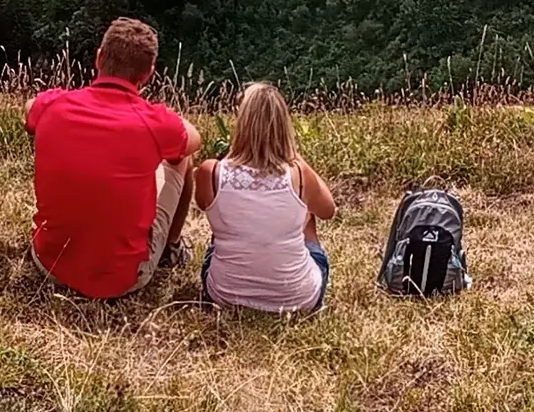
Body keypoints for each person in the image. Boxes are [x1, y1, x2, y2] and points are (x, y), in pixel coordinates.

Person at [27, 18, 202, 300]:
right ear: (148, 74)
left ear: (99, 58)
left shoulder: (53, 104)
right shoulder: (154, 123)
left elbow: (29, 108)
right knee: (181, 159)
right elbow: (193, 139)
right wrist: (160, 118)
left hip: (49, 263)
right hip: (122, 279)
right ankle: (171, 247)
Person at [194, 82, 336, 314]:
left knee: (222, 213)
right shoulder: (299, 175)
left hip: (224, 293)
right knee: (307, 212)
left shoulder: (211, 172)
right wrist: (293, 154)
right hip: (298, 298)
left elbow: (203, 204)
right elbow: (328, 210)